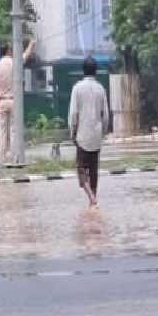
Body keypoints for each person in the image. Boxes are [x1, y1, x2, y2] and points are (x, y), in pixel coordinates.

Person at [68, 56, 110, 208]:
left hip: (82, 135)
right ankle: (93, 200)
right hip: (96, 136)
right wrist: (103, 132)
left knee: (81, 170)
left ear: (83, 70)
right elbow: (105, 115)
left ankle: (92, 198)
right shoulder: (100, 89)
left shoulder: (77, 88)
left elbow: (73, 114)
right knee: (93, 171)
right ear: (96, 71)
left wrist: (72, 132)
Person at [0, 39, 36, 166]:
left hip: (2, 101)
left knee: (2, 131)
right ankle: (14, 157)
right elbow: (26, 54)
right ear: (9, 51)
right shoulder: (15, 63)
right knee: (13, 130)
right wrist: (31, 45)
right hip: (14, 101)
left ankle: (2, 159)